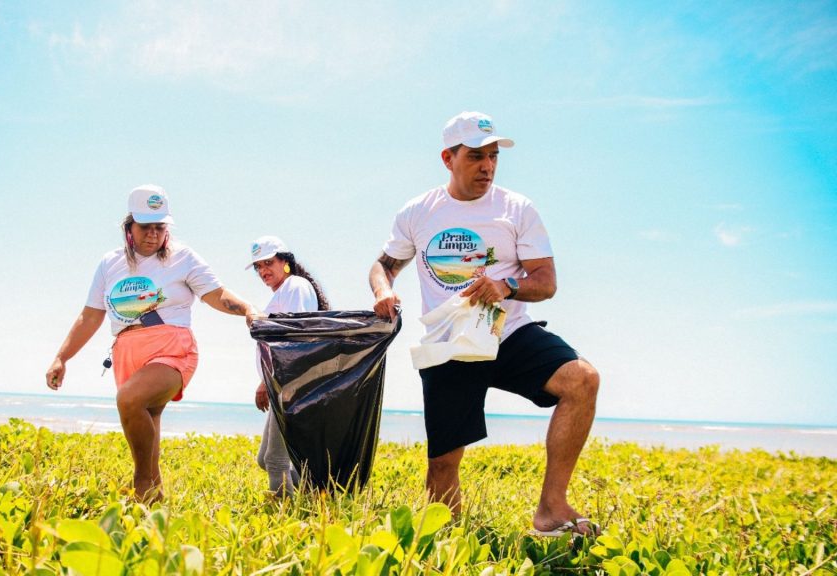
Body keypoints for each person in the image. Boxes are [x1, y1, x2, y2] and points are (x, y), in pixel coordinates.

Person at [368, 111, 601, 536]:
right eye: (476, 156)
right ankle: (448, 540)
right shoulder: (418, 212)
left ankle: (551, 508)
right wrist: (383, 291)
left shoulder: (516, 208)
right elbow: (383, 266)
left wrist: (506, 285)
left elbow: (546, 283)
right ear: (448, 158)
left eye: (493, 156)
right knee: (442, 464)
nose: (487, 167)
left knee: (582, 380)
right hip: (449, 345)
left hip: (508, 333)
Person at [46, 184, 259, 501]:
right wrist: (61, 358)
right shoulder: (109, 264)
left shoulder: (183, 258)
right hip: (126, 351)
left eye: (161, 227)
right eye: (146, 226)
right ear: (129, 226)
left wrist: (247, 309)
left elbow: (216, 294)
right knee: (148, 416)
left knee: (129, 400)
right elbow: (90, 316)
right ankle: (153, 502)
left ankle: (141, 485)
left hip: (172, 348)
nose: (154, 234)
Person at [246, 235, 329, 496]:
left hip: (290, 382)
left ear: (286, 262)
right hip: (281, 382)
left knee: (275, 460)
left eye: (268, 263)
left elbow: (294, 338)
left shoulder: (295, 285)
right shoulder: (287, 290)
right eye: (258, 266)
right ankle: (317, 492)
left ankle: (283, 514)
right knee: (265, 459)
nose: (262, 271)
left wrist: (270, 382)